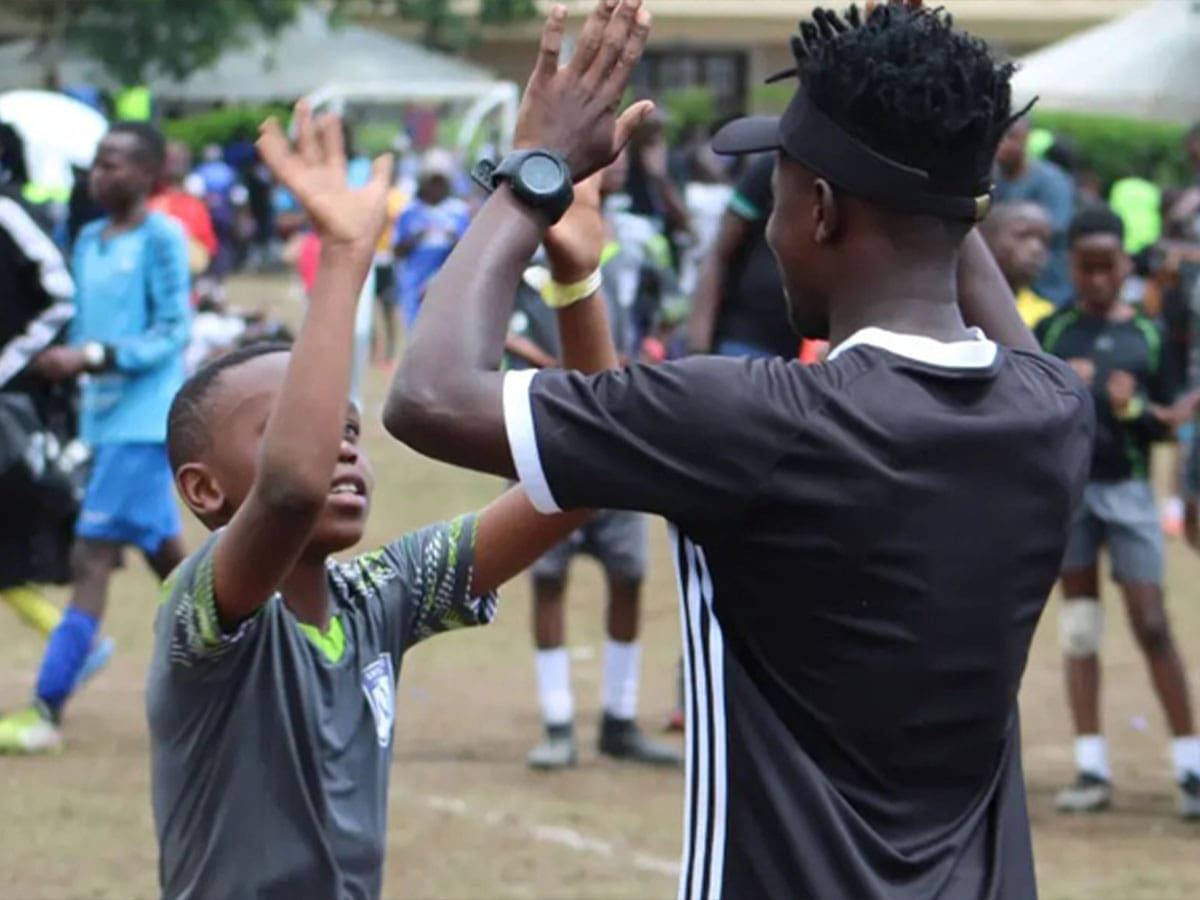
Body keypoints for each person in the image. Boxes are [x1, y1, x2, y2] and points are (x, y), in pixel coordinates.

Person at [386, 2, 1095, 896]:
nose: (768, 227)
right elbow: (949, 226)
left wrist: (534, 175)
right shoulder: (1053, 413)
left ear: (824, 211)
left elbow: (427, 397)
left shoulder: (754, 422)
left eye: (783, 195)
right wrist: (931, 144)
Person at [148, 102, 623, 898]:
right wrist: (344, 258)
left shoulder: (377, 598)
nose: (339, 446)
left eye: (350, 428)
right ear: (204, 490)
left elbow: (588, 476)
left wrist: (577, 281)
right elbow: (291, 489)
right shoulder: (205, 621)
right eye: (293, 426)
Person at [0, 122, 191, 754]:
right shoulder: (87, 239)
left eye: (115, 164)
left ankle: (45, 710)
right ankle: (264, 654)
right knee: (174, 562)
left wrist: (96, 355)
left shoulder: (161, 237)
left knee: (90, 560)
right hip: (102, 419)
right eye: (97, 165)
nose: (100, 176)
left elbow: (171, 331)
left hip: (144, 417)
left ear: (149, 174)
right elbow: (75, 318)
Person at [506, 152, 681, 770]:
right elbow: (496, 322)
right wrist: (554, 366)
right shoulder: (525, 240)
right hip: (549, 423)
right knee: (548, 577)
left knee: (628, 574)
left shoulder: (635, 241)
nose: (613, 167)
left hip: (622, 428)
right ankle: (558, 722)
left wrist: (653, 354)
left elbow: (661, 316)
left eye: (619, 158)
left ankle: (619, 717)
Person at [1037, 207, 1200, 818]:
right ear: (1073, 267)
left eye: (1109, 268)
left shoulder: (1150, 335)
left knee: (1152, 622)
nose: (1099, 280)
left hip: (1129, 493)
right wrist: (1066, 389)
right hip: (1073, 493)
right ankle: (1091, 767)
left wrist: (1138, 412)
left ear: (1125, 266)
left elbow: (1165, 423)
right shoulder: (1053, 333)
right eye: (1087, 268)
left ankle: (1189, 767)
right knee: (1080, 629)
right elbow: (1032, 413)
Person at [0, 121, 108, 679]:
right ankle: (67, 637)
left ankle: (70, 639)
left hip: (14, 405)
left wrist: (10, 362)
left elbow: (59, 295)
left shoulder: (10, 211)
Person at [686, 153, 797, 358]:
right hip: (746, 338)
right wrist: (698, 345)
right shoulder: (771, 168)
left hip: (805, 349)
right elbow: (719, 254)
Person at [994, 116, 1075, 306]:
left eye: (1011, 137)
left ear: (1026, 138)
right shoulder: (991, 178)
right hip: (1003, 287)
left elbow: (1056, 228)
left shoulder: (1053, 182)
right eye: (998, 137)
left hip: (1047, 288)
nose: (1003, 144)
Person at [392, 149, 470, 333]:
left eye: (440, 182)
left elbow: (468, 252)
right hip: (414, 281)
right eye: (432, 181)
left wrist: (453, 241)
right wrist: (414, 239)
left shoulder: (458, 211)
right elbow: (397, 251)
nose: (436, 187)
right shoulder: (410, 211)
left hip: (448, 281)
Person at [981, 201, 1056, 329]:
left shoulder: (1047, 315)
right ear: (987, 238)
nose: (1036, 249)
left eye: (1044, 240)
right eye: (1023, 236)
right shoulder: (959, 307)